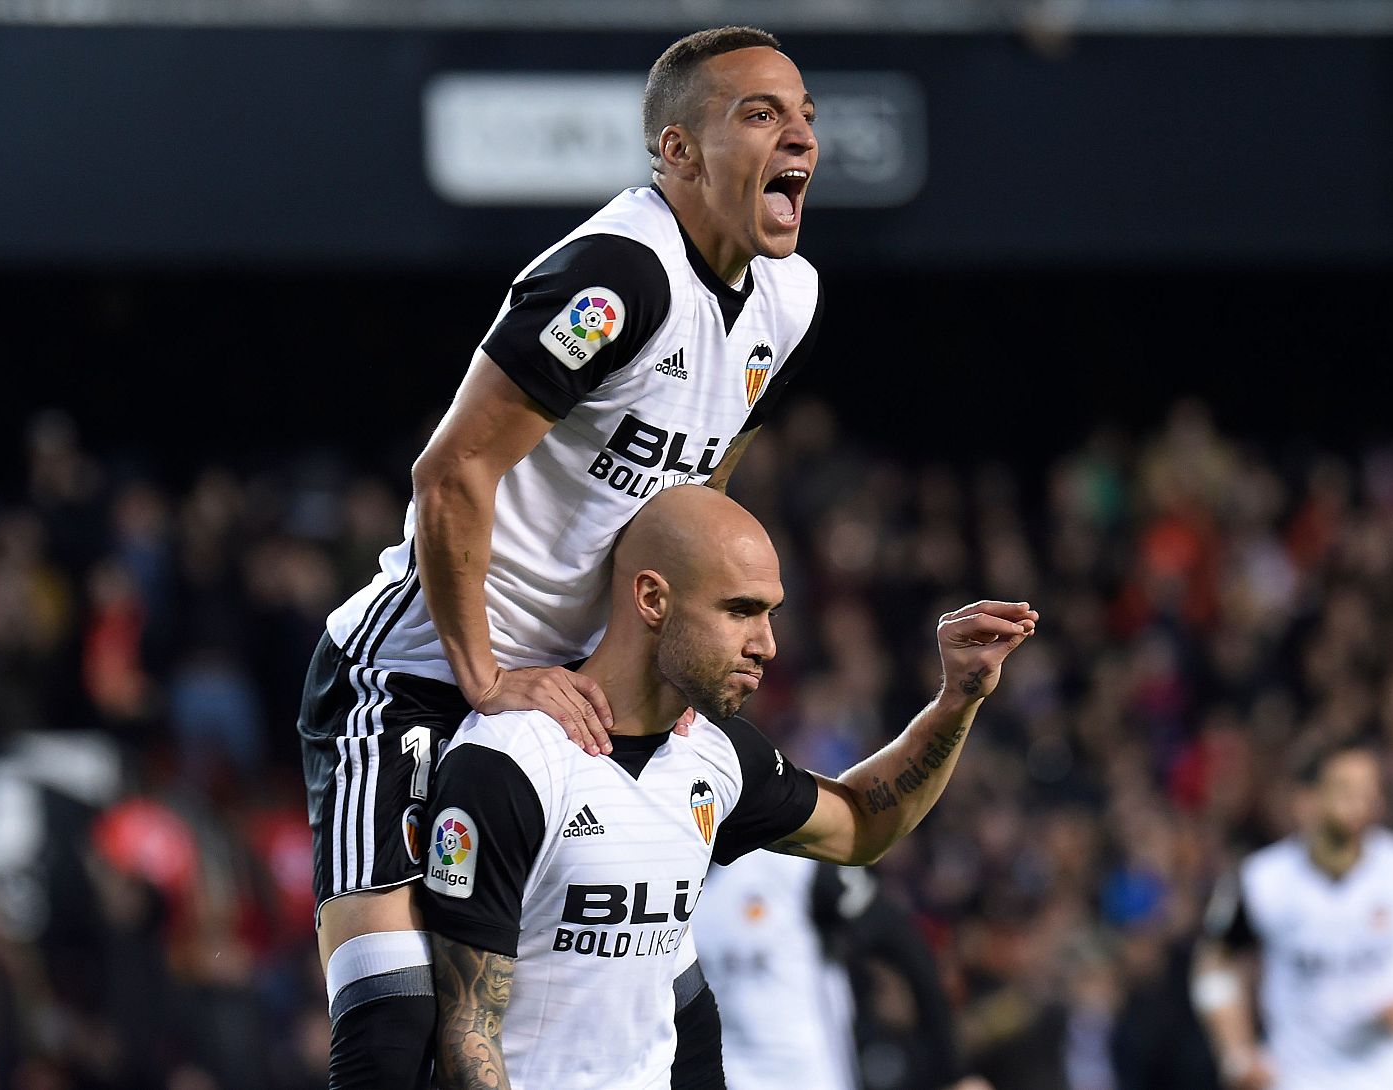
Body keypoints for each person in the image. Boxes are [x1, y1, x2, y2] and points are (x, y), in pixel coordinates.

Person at [297, 25, 823, 1089]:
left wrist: (660, 664)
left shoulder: (786, 299)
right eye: (758, 114)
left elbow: (689, 503)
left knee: (678, 1017)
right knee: (398, 1020)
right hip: (415, 677)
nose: (798, 133)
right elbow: (449, 473)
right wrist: (486, 677)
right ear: (676, 151)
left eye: (805, 113)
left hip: (575, 704)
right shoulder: (620, 276)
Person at [418, 485, 1038, 1090]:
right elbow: (466, 1028)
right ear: (653, 598)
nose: (766, 643)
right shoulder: (511, 764)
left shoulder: (715, 757)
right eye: (740, 610)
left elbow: (863, 823)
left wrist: (957, 698)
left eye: (771, 614)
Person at [1192, 738, 1393, 1090]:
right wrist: (1236, 1051)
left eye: (1369, 790)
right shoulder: (1260, 880)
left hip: (1390, 1076)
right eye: (1345, 789)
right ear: (1307, 800)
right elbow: (1214, 964)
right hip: (1297, 1077)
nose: (1361, 803)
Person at [700, 851, 989, 1090]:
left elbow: (899, 939)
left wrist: (952, 1071)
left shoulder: (788, 863)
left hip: (815, 1079)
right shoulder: (665, 892)